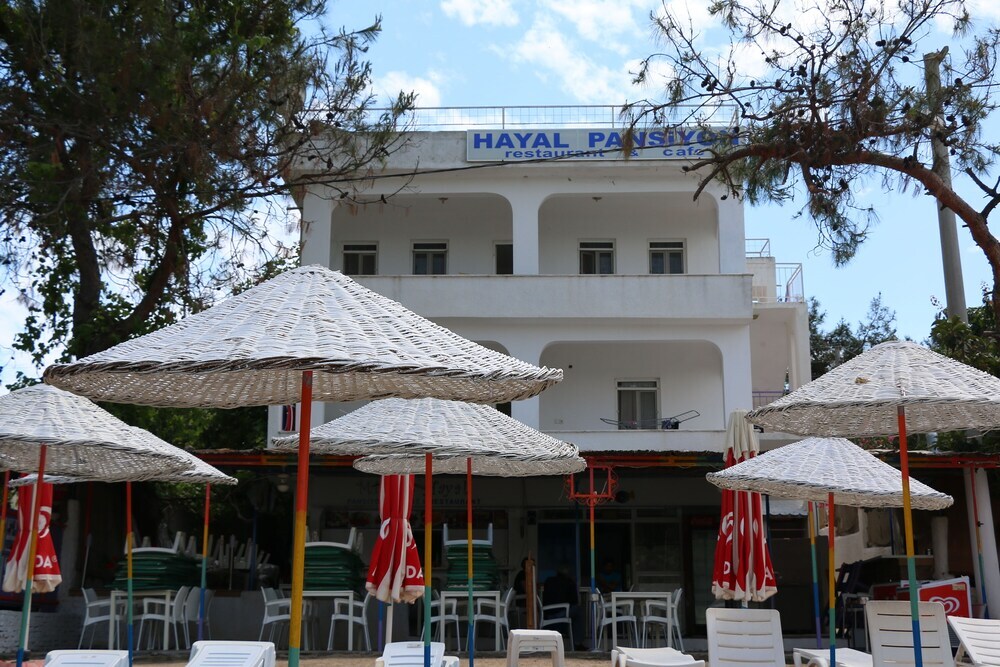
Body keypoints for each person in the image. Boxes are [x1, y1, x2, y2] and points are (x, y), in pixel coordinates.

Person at [543, 563, 584, 650]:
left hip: (547, 613)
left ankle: (570, 635)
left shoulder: (549, 580)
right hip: (560, 613)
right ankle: (577, 643)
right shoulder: (569, 582)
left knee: (573, 613)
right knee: (578, 610)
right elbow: (574, 601)